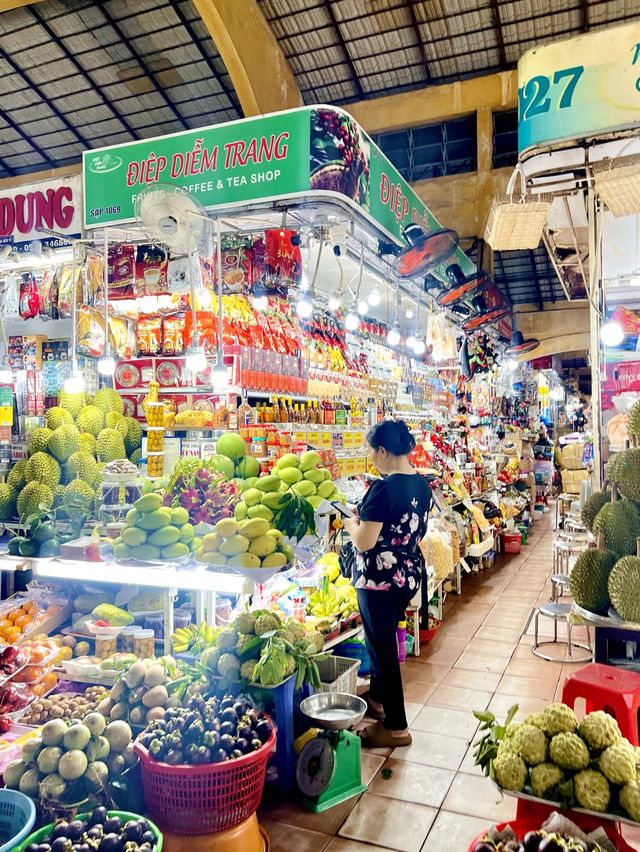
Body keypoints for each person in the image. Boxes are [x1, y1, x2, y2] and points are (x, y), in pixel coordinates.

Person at [343, 420, 432, 748]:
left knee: (381, 649)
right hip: (407, 575)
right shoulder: (422, 485)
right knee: (380, 641)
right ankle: (378, 699)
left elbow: (365, 542)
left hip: (379, 580)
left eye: (371, 452)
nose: (371, 459)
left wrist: (352, 524)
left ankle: (397, 728)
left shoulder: (383, 488)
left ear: (382, 450)